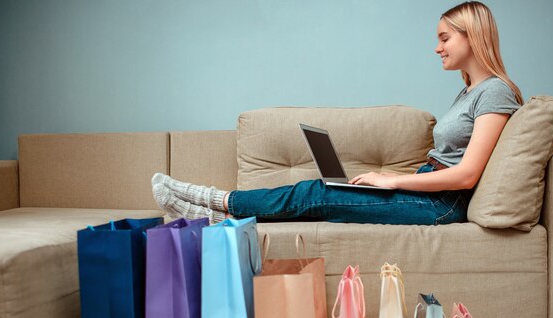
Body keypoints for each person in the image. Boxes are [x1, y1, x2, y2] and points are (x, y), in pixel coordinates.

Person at [152, 1, 523, 226]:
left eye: (444, 38)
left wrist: (392, 180)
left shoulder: (495, 92)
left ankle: (211, 199)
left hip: (442, 206)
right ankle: (211, 215)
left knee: (318, 193)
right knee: (325, 189)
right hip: (430, 189)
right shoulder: (470, 91)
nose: (436, 47)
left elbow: (467, 174)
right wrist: (390, 176)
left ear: (472, 36)